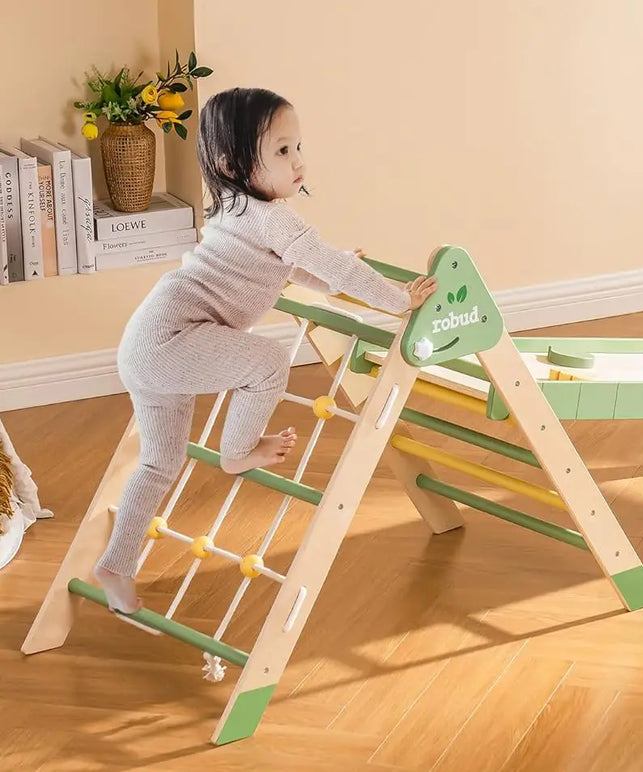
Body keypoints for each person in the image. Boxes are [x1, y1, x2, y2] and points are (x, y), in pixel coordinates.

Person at [93, 87, 436, 613]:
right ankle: (237, 451)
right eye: (281, 151)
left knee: (160, 464)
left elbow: (294, 269)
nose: (298, 162)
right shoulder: (276, 218)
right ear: (232, 164)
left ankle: (115, 565)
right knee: (268, 362)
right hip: (171, 340)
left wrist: (334, 269)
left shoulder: (236, 211)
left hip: (146, 345)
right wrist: (398, 299)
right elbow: (326, 265)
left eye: (298, 147)